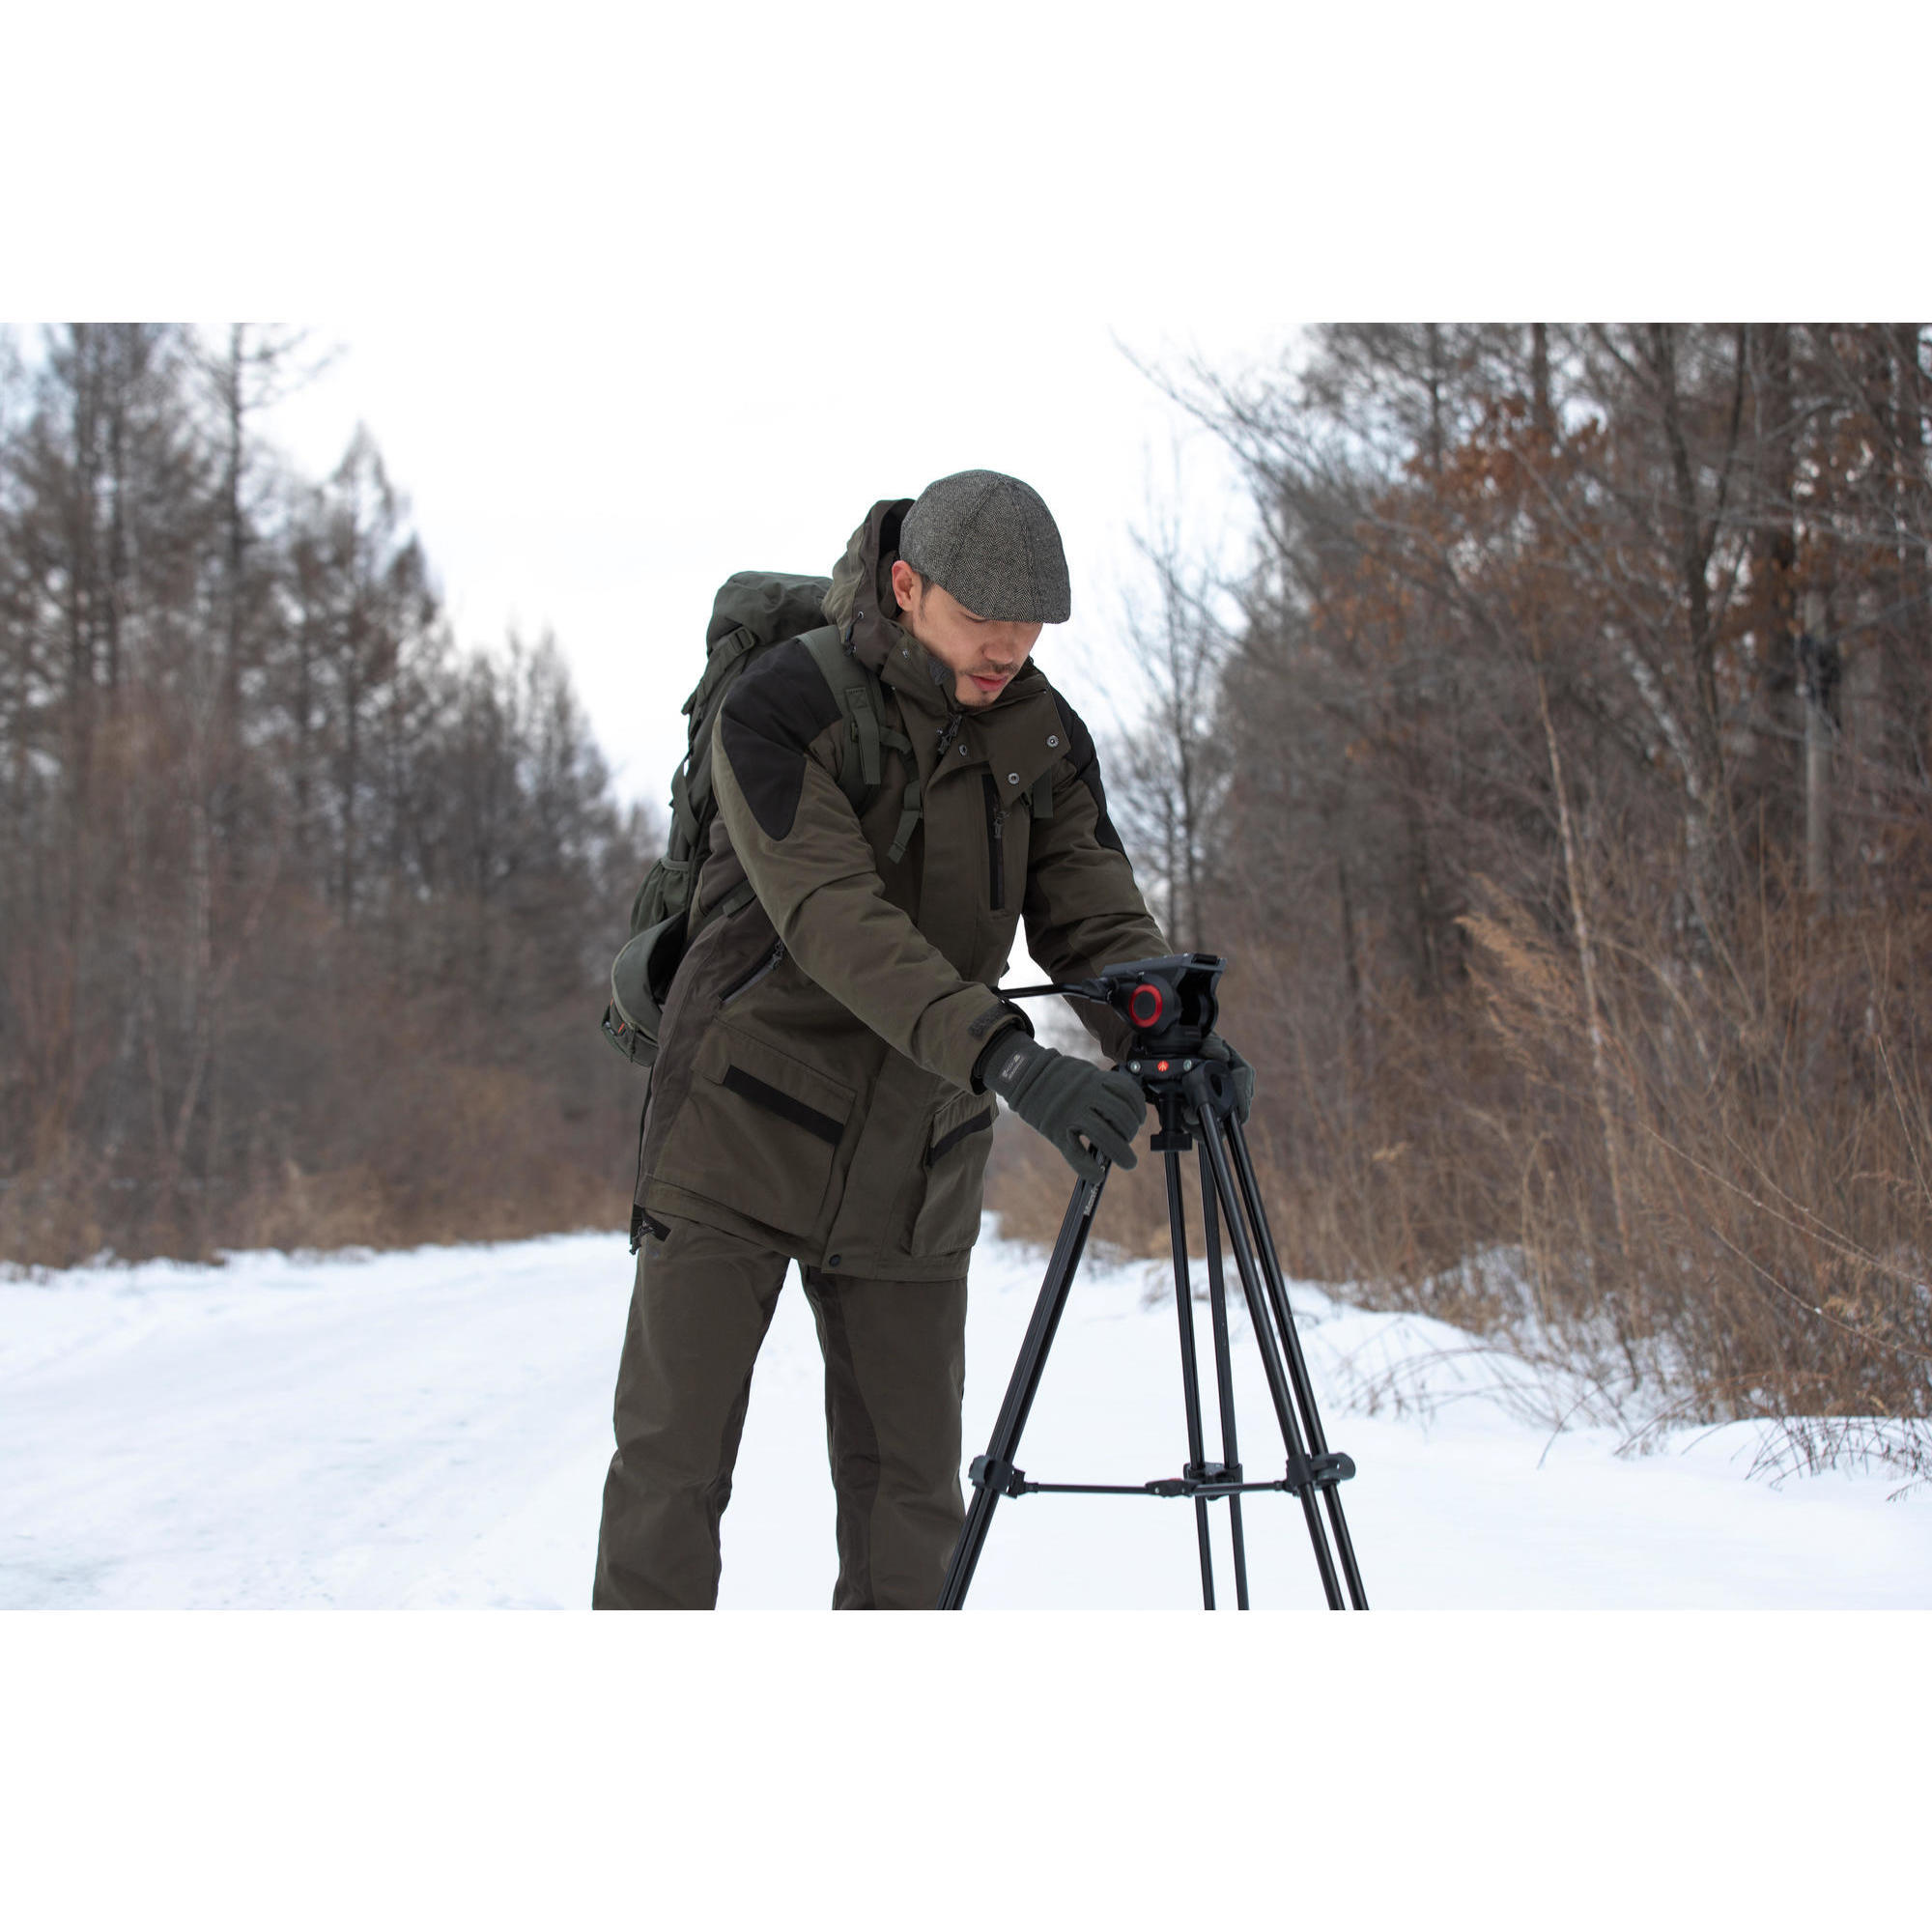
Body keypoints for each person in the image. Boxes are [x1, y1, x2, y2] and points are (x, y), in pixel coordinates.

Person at [592, 470, 1170, 1610]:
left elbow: (1094, 912)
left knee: (907, 1503)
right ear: (906, 586)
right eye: (981, 627)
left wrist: (1172, 1029)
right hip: (737, 1131)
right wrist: (1010, 1056)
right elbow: (833, 922)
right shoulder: (780, 705)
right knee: (671, 1480)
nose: (1006, 654)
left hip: (915, 1149)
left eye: (1028, 634)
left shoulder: (1038, 733)